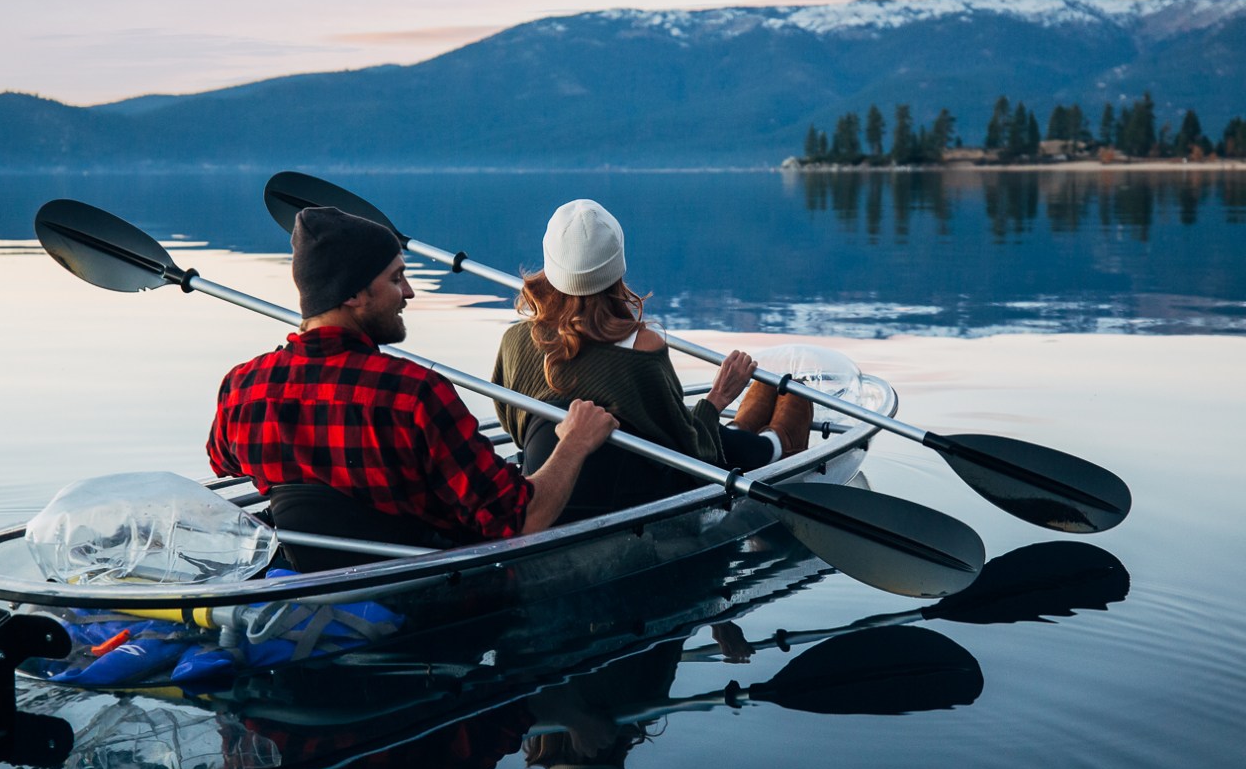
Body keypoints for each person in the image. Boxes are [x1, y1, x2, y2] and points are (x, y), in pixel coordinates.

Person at [207, 205, 616, 569]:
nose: (409, 292)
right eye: (396, 278)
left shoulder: (242, 387)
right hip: (427, 598)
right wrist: (574, 443)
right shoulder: (415, 394)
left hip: (310, 584)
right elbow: (521, 522)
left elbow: (222, 461)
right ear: (352, 294)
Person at [491, 199, 812, 514]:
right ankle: (776, 446)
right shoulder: (642, 347)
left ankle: (743, 429)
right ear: (617, 267)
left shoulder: (514, 341)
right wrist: (718, 397)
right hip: (633, 497)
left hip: (545, 486)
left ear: (550, 266)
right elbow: (690, 450)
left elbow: (514, 423)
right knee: (691, 424)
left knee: (668, 420)